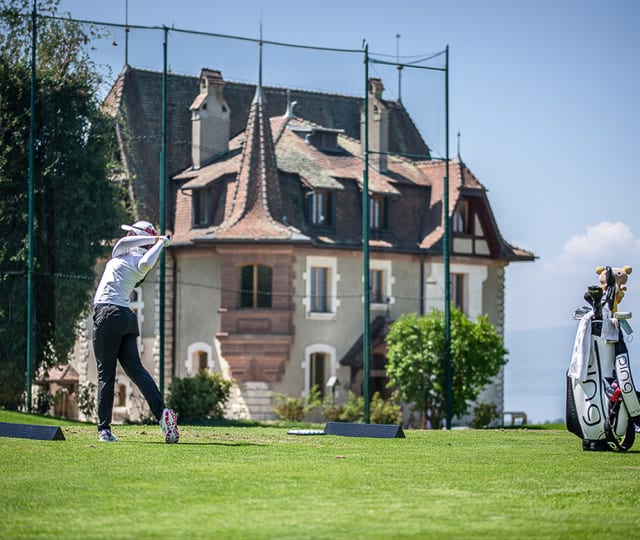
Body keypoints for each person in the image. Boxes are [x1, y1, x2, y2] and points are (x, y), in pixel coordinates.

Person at [92, 220, 179, 443]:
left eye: (132, 231)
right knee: (136, 370)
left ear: (136, 234)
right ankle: (162, 413)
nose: (128, 234)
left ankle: (104, 430)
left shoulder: (128, 257)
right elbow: (130, 245)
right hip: (127, 318)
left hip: (107, 314)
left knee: (106, 374)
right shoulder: (128, 252)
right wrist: (158, 241)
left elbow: (146, 262)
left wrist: (158, 244)